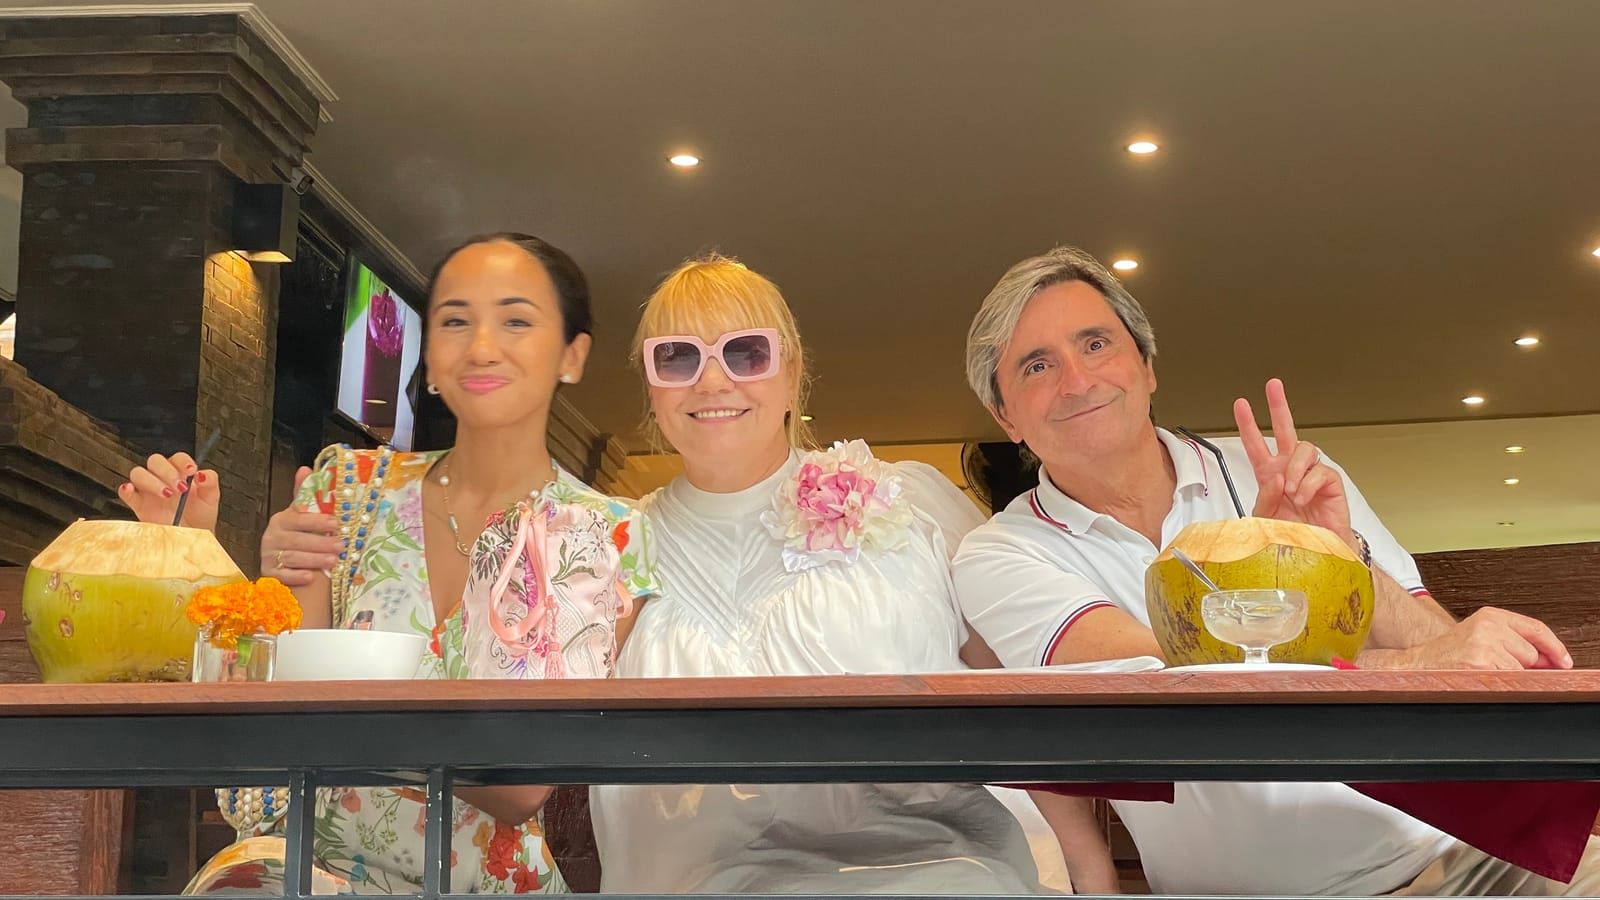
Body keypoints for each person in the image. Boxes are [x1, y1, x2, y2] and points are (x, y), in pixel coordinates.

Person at [953, 245, 1596, 895]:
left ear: (1147, 366)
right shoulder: (1002, 553)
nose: (1077, 380)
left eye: (1096, 344)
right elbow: (1170, 678)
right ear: (1006, 416)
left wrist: (1345, 556)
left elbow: (1444, 653)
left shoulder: (1284, 471)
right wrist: (1405, 666)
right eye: (1037, 365)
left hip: (1462, 864)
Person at [121, 233, 656, 894]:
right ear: (428, 358)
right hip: (309, 876)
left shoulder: (605, 531)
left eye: (516, 320)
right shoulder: (348, 489)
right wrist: (192, 555)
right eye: (455, 321)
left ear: (571, 355)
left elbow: (517, 783)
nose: (482, 346)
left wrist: (339, 708)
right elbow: (271, 714)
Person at [584, 254, 1108, 895]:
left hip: (935, 876)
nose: (713, 380)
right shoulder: (605, 549)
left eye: (747, 353)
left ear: (792, 371)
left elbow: (1015, 696)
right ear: (650, 383)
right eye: (677, 358)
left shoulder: (907, 505)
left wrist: (1090, 872)